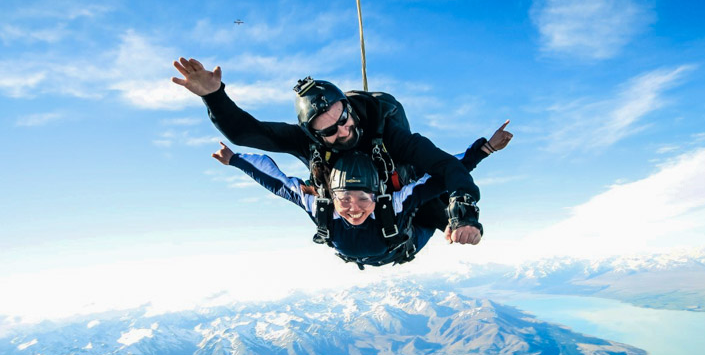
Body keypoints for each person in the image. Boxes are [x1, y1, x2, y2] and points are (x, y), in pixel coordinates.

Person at [172, 58, 485, 245]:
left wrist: (462, 214)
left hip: (405, 201)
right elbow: (247, 133)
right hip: (347, 216)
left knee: (434, 208)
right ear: (313, 133)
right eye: (330, 131)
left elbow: (446, 166)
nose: (344, 131)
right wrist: (215, 97)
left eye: (344, 119)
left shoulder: (389, 134)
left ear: (348, 107)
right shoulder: (307, 143)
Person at [211, 124, 512, 268]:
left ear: (376, 195)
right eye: (344, 200)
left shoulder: (392, 202)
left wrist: (484, 149)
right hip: (383, 243)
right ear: (333, 195)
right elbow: (276, 182)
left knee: (422, 193)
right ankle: (438, 219)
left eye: (362, 199)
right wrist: (235, 159)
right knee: (416, 194)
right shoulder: (322, 205)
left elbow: (445, 170)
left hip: (403, 244)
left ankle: (444, 224)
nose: (353, 209)